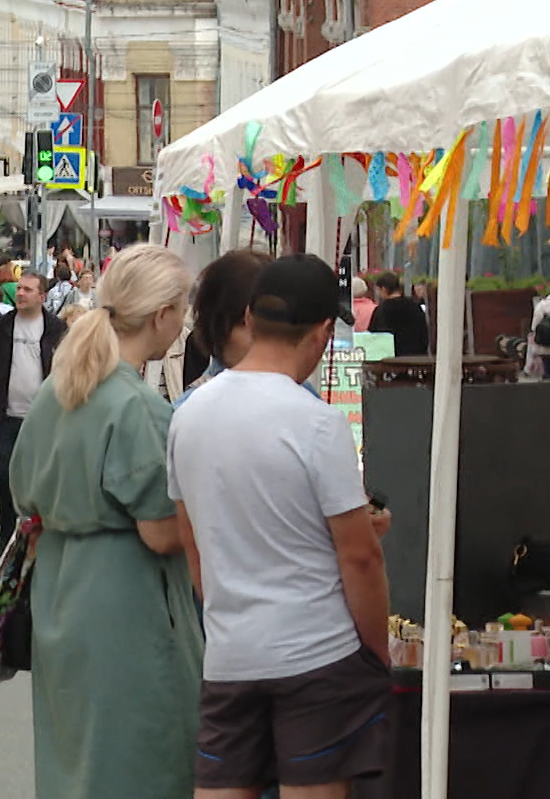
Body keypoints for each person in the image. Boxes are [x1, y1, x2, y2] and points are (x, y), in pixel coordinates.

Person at [170, 254, 394, 797]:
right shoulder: (317, 423)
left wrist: (225, 612)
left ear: (250, 316)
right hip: (315, 650)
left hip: (230, 652)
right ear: (321, 333)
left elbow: (191, 541)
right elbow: (360, 554)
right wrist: (376, 653)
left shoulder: (188, 413)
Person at [8, 244, 204, 799]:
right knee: (140, 757)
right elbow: (161, 531)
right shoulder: (137, 406)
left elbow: (23, 491)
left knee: (75, 757)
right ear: (163, 313)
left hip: (62, 586)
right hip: (128, 599)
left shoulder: (59, 389)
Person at [0, 272, 67, 556]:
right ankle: (7, 526)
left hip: (44, 418)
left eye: (29, 290)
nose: (21, 294)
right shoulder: (3, 326)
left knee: (42, 476)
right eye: (19, 289)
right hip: (7, 415)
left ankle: (41, 529)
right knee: (3, 473)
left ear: (42, 297)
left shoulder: (56, 329)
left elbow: (69, 370)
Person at [175, 249, 273, 407]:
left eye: (271, 325)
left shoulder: (303, 399)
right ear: (216, 327)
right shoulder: (190, 409)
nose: (264, 339)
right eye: (244, 324)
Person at [367, 272, 429, 356]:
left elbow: (375, 336)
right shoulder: (414, 306)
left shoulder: (381, 310)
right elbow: (424, 332)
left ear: (384, 289)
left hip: (391, 359)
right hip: (416, 357)